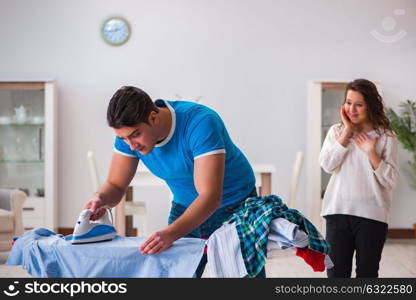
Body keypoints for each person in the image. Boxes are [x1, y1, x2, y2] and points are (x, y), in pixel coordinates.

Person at [83, 86, 265, 277]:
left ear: (153, 117)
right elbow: (115, 185)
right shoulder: (128, 137)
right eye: (123, 138)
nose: (131, 145)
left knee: (244, 277)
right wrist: (100, 198)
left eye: (135, 135)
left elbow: (210, 197)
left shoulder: (201, 123)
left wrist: (170, 233)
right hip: (185, 206)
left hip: (235, 205)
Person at [319, 78, 399, 278]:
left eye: (358, 104)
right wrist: (347, 132)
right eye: (348, 102)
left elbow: (390, 182)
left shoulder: (386, 137)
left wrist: (372, 153)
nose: (352, 109)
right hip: (337, 213)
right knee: (336, 275)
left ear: (370, 105)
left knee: (367, 275)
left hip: (372, 217)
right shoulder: (336, 132)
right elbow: (327, 165)